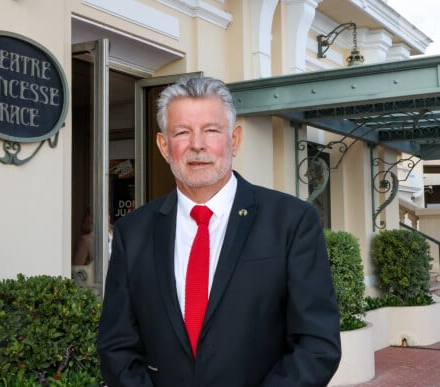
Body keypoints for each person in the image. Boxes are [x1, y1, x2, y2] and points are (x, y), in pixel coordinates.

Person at [97, 76, 341, 386]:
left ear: (234, 139)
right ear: (164, 146)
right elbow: (116, 346)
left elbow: (317, 345)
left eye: (211, 130)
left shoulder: (292, 221)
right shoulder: (133, 232)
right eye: (182, 132)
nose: (197, 144)